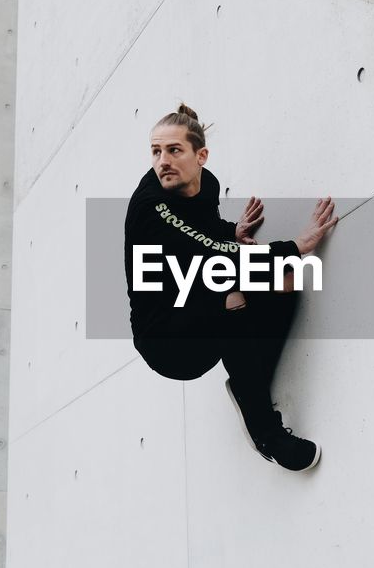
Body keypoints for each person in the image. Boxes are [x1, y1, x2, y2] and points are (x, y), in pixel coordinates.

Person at [124, 104, 336, 471]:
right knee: (233, 291)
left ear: (200, 155)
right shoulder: (150, 205)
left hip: (195, 299)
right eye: (155, 152)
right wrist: (296, 246)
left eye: (174, 150)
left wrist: (230, 232)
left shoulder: (207, 185)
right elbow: (204, 251)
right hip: (166, 339)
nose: (162, 162)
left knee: (285, 281)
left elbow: (202, 234)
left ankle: (248, 387)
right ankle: (267, 433)